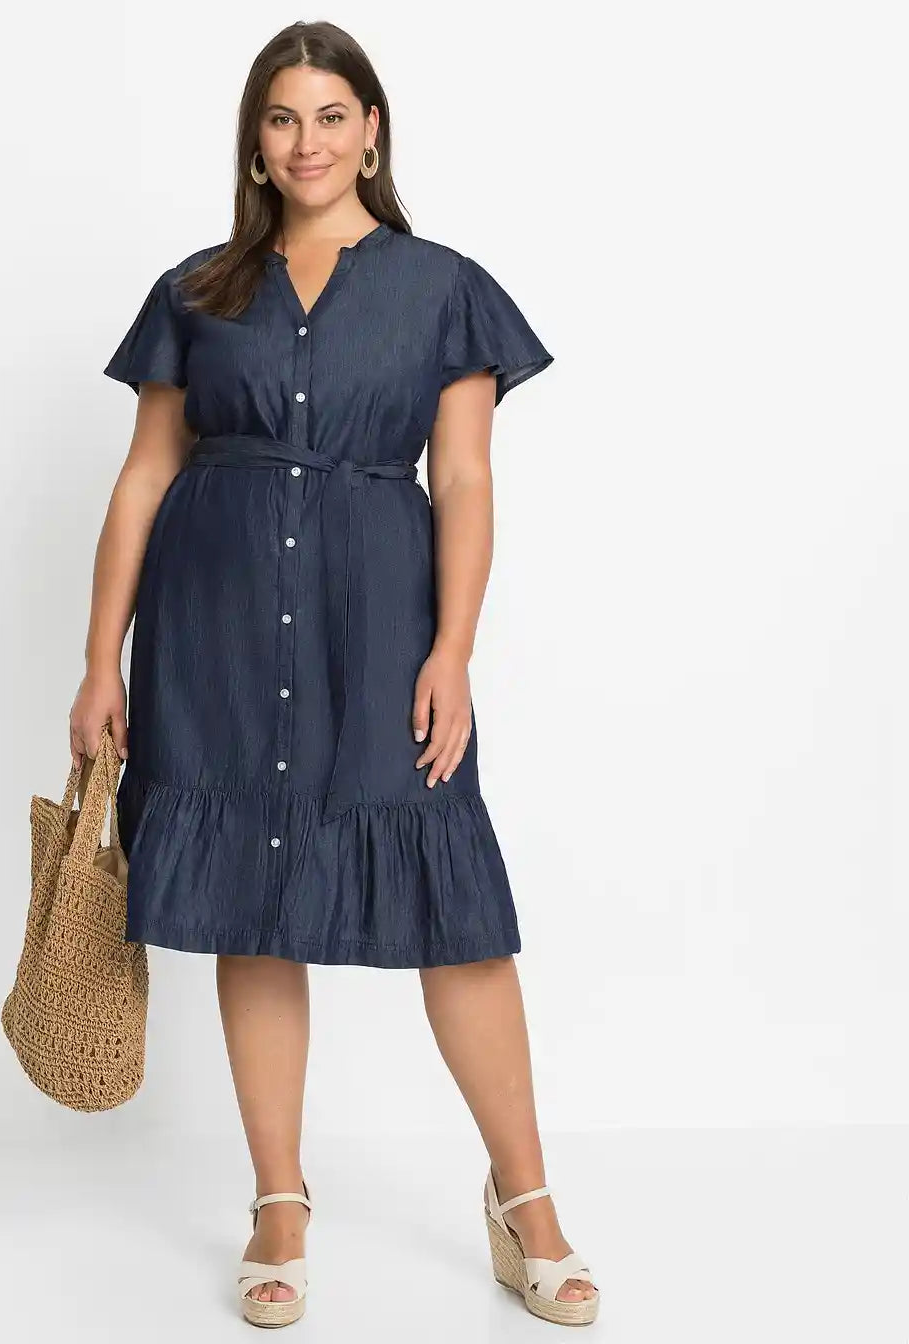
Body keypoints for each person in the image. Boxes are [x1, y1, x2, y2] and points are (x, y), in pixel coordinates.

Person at [72, 18, 599, 1330]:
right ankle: (279, 1204)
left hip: (379, 628)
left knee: (455, 911)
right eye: (281, 117)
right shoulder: (197, 290)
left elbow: (463, 478)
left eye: (329, 114)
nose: (305, 141)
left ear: (370, 131)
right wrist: (99, 661)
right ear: (255, 144)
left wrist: (453, 649)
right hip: (214, 631)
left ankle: (527, 1201)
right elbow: (143, 476)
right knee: (252, 905)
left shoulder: (444, 288)